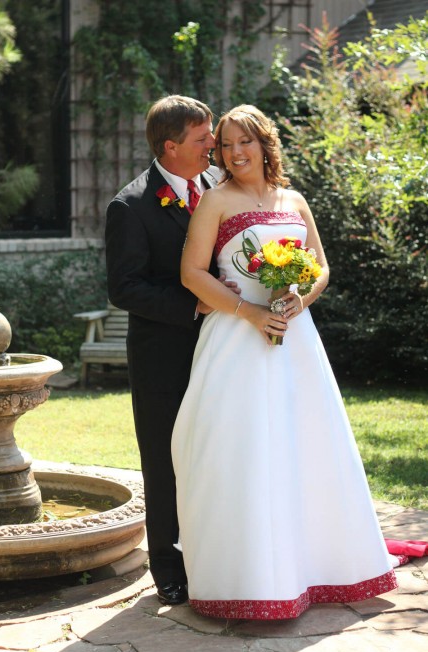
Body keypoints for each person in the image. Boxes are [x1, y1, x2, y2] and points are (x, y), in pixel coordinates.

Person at [171, 104, 397, 620]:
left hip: (295, 339)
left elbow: (320, 266)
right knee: (243, 451)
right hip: (234, 339)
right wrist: (249, 312)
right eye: (225, 144)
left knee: (306, 446)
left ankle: (314, 570)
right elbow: (191, 274)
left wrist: (301, 300)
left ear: (264, 143)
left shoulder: (293, 198)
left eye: (243, 141)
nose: (234, 152)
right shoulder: (215, 201)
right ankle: (247, 578)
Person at [105, 95, 239, 607]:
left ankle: (214, 553)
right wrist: (196, 307)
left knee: (215, 452)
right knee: (165, 459)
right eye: (204, 139)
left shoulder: (216, 189)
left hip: (222, 351)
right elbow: (125, 288)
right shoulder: (131, 205)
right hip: (162, 354)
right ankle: (167, 565)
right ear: (171, 145)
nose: (214, 146)